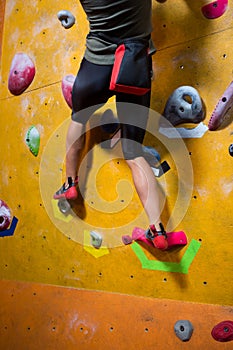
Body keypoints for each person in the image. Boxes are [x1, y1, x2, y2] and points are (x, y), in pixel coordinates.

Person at [53, 0, 168, 250]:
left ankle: (70, 183)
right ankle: (157, 230)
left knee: (78, 118)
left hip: (95, 66)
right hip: (134, 63)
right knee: (133, 150)